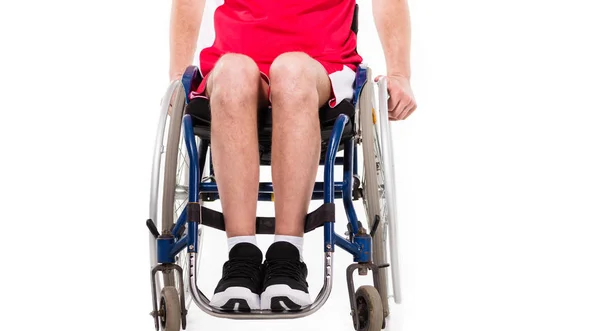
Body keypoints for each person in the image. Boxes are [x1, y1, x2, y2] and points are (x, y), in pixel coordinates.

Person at [169, 0, 416, 311]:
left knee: (291, 71)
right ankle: (241, 257)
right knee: (234, 74)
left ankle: (287, 254)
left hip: (321, 63)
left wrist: (400, 73)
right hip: (236, 59)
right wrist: (177, 74)